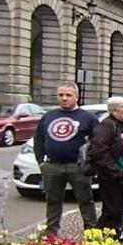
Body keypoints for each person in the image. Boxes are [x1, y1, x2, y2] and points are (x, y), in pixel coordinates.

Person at [34, 82, 98, 235]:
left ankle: (92, 233)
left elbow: (98, 142)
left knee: (85, 201)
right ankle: (51, 234)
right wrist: (41, 161)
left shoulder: (88, 118)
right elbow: (39, 139)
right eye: (61, 95)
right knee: (52, 202)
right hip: (52, 166)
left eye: (68, 95)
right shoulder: (48, 116)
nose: (64, 98)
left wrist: (91, 163)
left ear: (76, 97)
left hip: (77, 167)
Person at [89, 97, 123, 236]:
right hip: (112, 176)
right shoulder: (107, 126)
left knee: (119, 209)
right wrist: (115, 171)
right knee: (112, 210)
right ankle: (101, 237)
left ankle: (114, 234)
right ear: (115, 110)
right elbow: (99, 152)